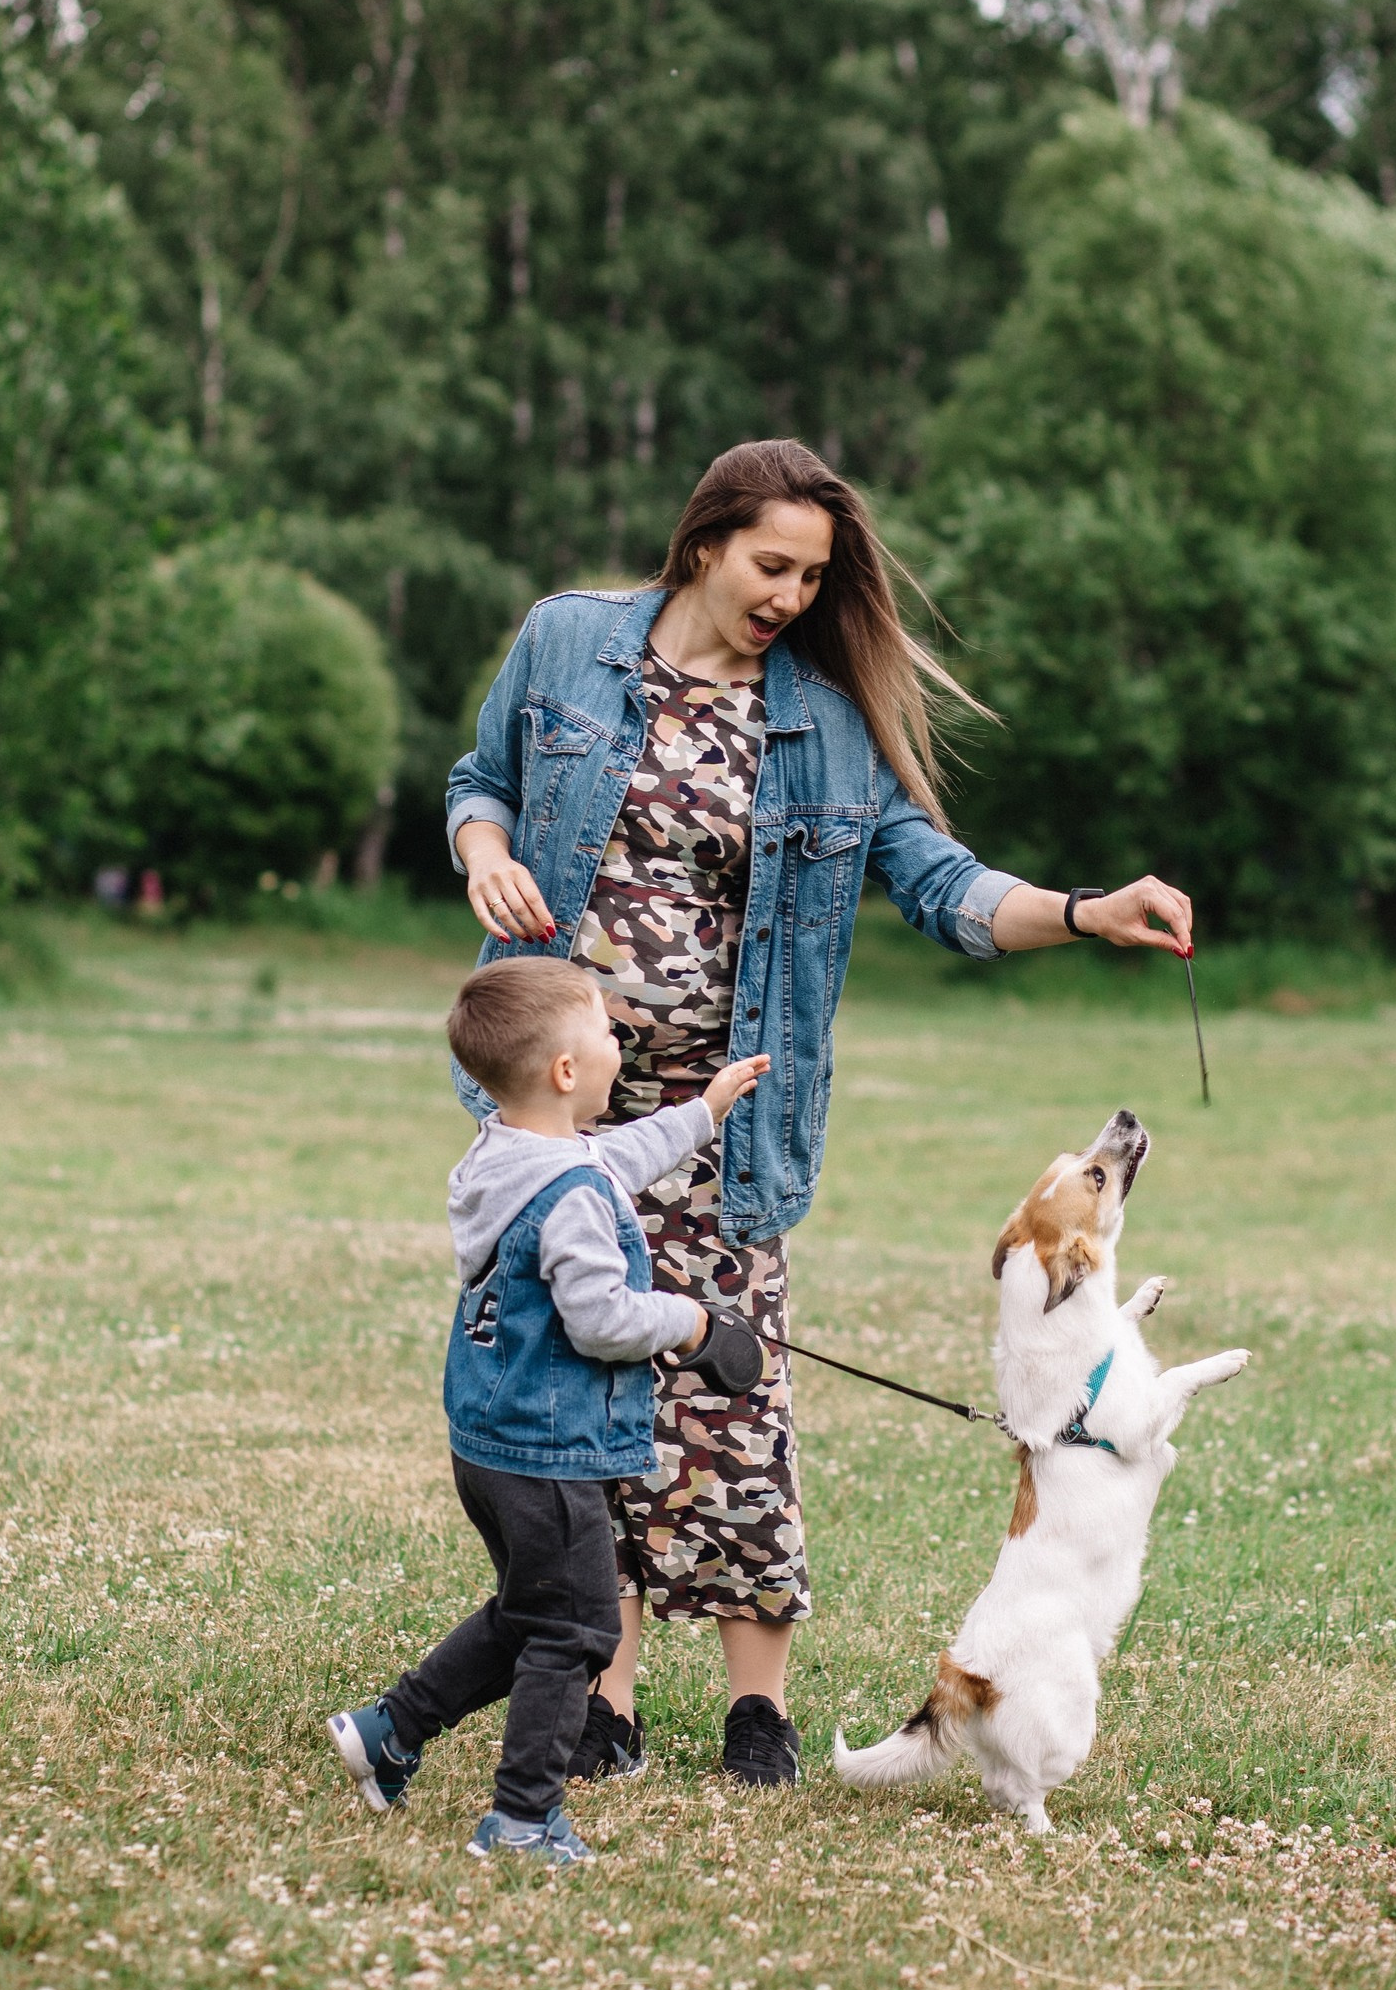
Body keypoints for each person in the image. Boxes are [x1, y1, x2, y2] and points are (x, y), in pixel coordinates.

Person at [446, 438, 1195, 1789]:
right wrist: (488, 851)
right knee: (583, 1401)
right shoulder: (567, 645)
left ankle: (756, 1711)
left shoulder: (822, 721)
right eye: (770, 564)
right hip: (565, 1118)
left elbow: (942, 884)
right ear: (701, 545)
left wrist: (1086, 911)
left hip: (731, 1119)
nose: (791, 595)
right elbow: (476, 781)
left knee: (733, 1398)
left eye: (813, 575)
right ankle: (605, 1699)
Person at [325, 955, 770, 1867]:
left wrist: (705, 1109)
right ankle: (524, 1818)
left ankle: (389, 1732)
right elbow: (602, 1319)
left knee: (530, 1610)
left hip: (488, 1443)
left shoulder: (511, 1152)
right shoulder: (568, 1194)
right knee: (575, 1630)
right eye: (608, 1031)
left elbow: (620, 1154)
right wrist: (691, 1324)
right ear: (568, 1072)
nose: (621, 1041)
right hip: (547, 1450)